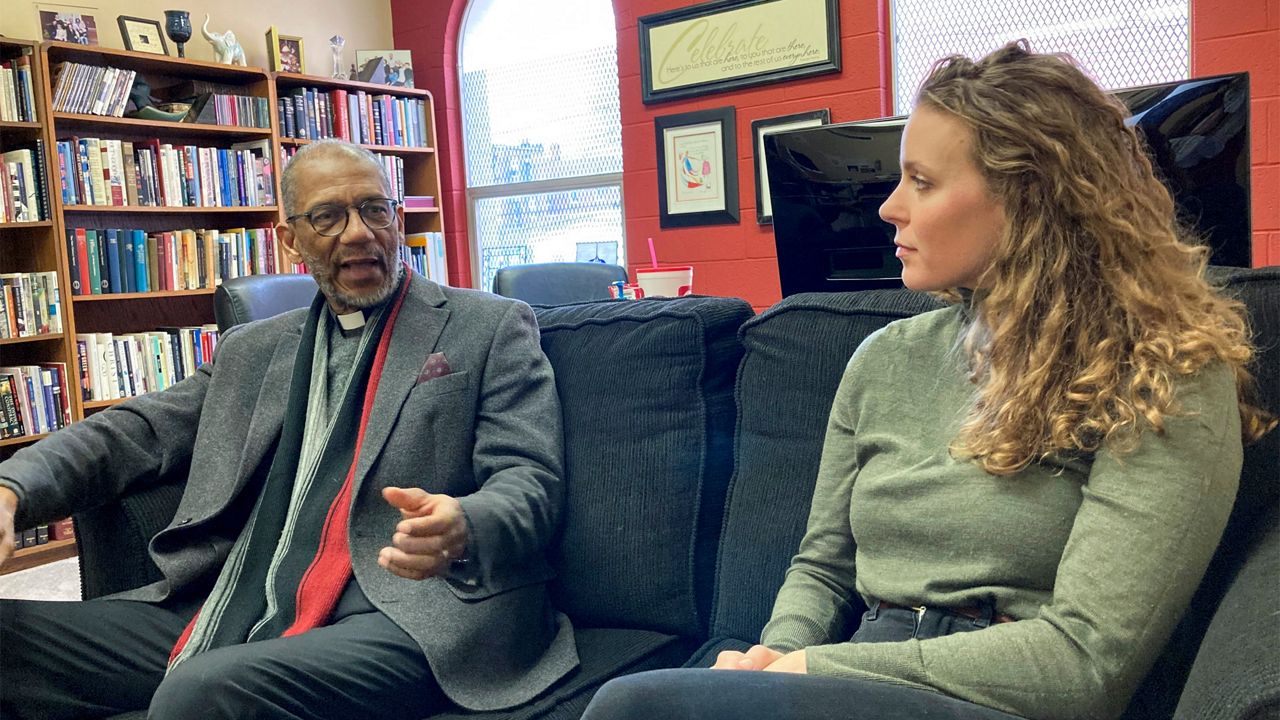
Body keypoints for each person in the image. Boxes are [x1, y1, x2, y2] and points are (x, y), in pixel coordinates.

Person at [581, 41, 1274, 720]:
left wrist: (814, 668)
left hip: (1006, 689)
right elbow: (823, 565)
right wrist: (774, 657)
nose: (888, 207)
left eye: (922, 180)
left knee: (632, 706)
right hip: (860, 672)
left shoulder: (1165, 370)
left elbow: (1084, 664)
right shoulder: (882, 358)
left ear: (1027, 196)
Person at [0, 139, 578, 720]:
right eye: (328, 216)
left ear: (396, 218)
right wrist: (12, 491)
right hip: (238, 598)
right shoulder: (253, 350)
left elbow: (528, 478)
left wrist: (465, 524)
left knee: (207, 689)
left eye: (375, 209)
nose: (358, 232)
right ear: (290, 240)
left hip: (410, 610)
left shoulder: (488, 324)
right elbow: (133, 432)